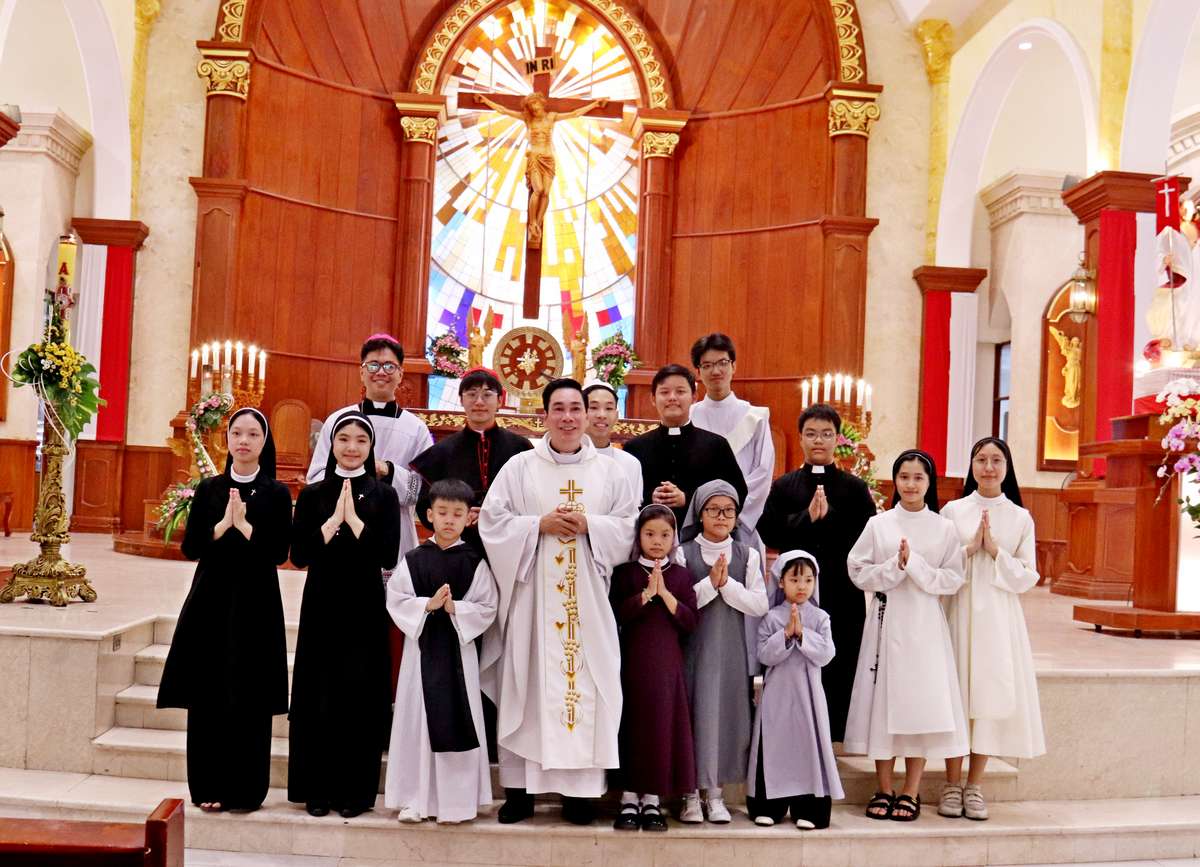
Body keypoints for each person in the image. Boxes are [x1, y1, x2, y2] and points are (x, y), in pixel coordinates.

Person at [478, 378, 638, 826]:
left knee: (588, 686)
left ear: (586, 415)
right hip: (532, 599)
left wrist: (590, 525)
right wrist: (537, 525)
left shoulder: (612, 470)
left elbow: (629, 527)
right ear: (543, 415)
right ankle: (520, 794)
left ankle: (579, 795)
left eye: (575, 408)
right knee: (525, 686)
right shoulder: (520, 467)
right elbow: (492, 522)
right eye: (559, 409)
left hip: (588, 601)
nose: (568, 417)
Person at [157, 408, 291, 813]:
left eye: (253, 434)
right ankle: (208, 785)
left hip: (256, 603)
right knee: (208, 691)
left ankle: (246, 790)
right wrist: (221, 526)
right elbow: (191, 547)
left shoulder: (276, 492)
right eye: (237, 433)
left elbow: (279, 552)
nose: (244, 441)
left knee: (249, 693)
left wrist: (245, 526)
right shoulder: (210, 489)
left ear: (264, 442)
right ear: (227, 439)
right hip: (211, 601)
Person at [288, 411, 401, 818]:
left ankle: (355, 792)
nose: (352, 447)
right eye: (344, 439)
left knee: (359, 694)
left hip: (365, 604)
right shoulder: (313, 494)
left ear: (371, 448)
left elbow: (388, 555)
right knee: (318, 692)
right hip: (322, 601)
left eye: (361, 441)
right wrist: (331, 523)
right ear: (332, 444)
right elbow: (299, 555)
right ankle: (316, 789)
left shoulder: (385, 496)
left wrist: (354, 523)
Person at [844, 449, 967, 823]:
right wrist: (894, 568)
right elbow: (857, 570)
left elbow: (953, 579)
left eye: (918, 477)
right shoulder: (879, 524)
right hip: (886, 621)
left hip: (924, 626)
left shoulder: (944, 528)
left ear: (930, 483)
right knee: (882, 705)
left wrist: (914, 565)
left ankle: (911, 790)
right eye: (904, 477)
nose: (911, 484)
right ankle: (884, 788)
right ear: (894, 481)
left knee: (919, 705)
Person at [938, 437, 1045, 822]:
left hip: (998, 617)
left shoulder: (1019, 517)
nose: (988, 467)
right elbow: (938, 563)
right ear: (971, 466)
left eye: (996, 460)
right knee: (957, 694)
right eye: (981, 459)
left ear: (1006, 467)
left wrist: (996, 550)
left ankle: (974, 785)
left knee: (985, 696)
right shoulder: (952, 511)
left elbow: (1029, 575)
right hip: (958, 609)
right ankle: (951, 783)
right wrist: (969, 548)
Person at [757, 402, 877, 743]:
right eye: (811, 434)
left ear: (837, 439)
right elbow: (769, 532)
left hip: (841, 588)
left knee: (841, 657)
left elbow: (869, 537)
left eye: (826, 434)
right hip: (795, 592)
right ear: (801, 438)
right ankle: (795, 733)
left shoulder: (855, 488)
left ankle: (836, 736)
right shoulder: (785, 486)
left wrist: (831, 517)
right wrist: (806, 517)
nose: (819, 441)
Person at [384, 479, 498, 824]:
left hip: (460, 657)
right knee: (417, 721)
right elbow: (396, 600)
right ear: (430, 514)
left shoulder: (474, 562)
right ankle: (414, 798)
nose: (449, 520)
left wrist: (455, 609)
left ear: (468, 518)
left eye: (457, 514)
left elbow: (488, 606)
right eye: (443, 512)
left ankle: (456, 803)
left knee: (458, 720)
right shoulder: (414, 560)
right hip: (420, 655)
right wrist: (427, 605)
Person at [674, 480, 768, 825]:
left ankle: (715, 796)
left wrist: (726, 584)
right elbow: (680, 603)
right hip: (693, 648)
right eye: (713, 509)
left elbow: (759, 604)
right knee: (693, 716)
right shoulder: (682, 552)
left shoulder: (747, 555)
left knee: (725, 718)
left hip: (730, 651)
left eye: (729, 510)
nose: (721, 516)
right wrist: (710, 583)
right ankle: (689, 796)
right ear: (699, 514)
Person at [609, 505, 698, 832]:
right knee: (633, 727)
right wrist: (646, 595)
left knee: (661, 729)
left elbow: (691, 621)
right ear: (638, 537)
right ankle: (628, 799)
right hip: (632, 665)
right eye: (649, 534)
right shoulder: (625, 573)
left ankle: (652, 800)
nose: (657, 541)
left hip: (667, 667)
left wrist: (665, 595)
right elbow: (615, 615)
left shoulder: (682, 576)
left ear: (674, 538)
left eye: (664, 534)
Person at [307, 334, 431, 556]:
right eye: (373, 365)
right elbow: (315, 477)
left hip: (395, 531)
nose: (381, 372)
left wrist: (388, 470)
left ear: (401, 374)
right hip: (340, 527)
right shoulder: (338, 421)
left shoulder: (417, 429)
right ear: (361, 372)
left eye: (389, 366)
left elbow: (422, 491)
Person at [746, 551, 844, 829]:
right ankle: (769, 807)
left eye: (808, 580)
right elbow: (764, 655)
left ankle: (809, 810)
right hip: (777, 695)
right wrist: (786, 634)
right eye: (795, 579)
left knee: (808, 748)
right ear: (780, 581)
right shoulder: (770, 617)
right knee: (773, 746)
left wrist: (802, 633)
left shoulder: (821, 617)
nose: (802, 586)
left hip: (808, 696)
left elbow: (826, 654)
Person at [411, 367, 533, 556]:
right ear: (461, 399)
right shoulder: (441, 452)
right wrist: (458, 518)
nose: (479, 402)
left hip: (509, 545)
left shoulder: (521, 448)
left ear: (500, 400)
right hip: (457, 548)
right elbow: (425, 507)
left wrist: (493, 516)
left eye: (487, 395)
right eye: (472, 394)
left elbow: (532, 500)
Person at [623, 364, 747, 526]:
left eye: (680, 392)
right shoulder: (635, 448)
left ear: (694, 397)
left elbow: (737, 493)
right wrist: (649, 498)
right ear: (653, 399)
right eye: (664, 392)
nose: (672, 398)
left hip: (701, 535)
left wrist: (688, 499)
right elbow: (622, 497)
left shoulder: (716, 445)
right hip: (648, 535)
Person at [688, 333, 775, 530]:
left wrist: (732, 514)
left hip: (740, 521)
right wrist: (701, 513)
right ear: (698, 372)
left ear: (733, 366)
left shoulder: (755, 417)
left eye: (722, 363)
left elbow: (762, 474)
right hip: (696, 520)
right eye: (707, 365)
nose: (715, 371)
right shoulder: (689, 417)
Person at [583, 380, 642, 501]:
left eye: (609, 408)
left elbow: (632, 509)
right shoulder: (566, 459)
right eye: (593, 407)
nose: (602, 415)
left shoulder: (630, 463)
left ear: (616, 416)